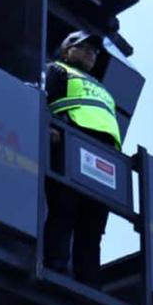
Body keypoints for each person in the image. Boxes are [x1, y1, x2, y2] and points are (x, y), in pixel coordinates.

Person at [43, 30, 122, 286]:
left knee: (93, 225)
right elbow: (44, 100)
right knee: (64, 210)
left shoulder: (103, 89)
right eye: (85, 47)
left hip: (104, 157)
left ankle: (89, 282)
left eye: (94, 51)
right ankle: (55, 267)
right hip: (70, 144)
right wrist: (50, 128)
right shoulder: (57, 70)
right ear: (67, 50)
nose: (91, 54)